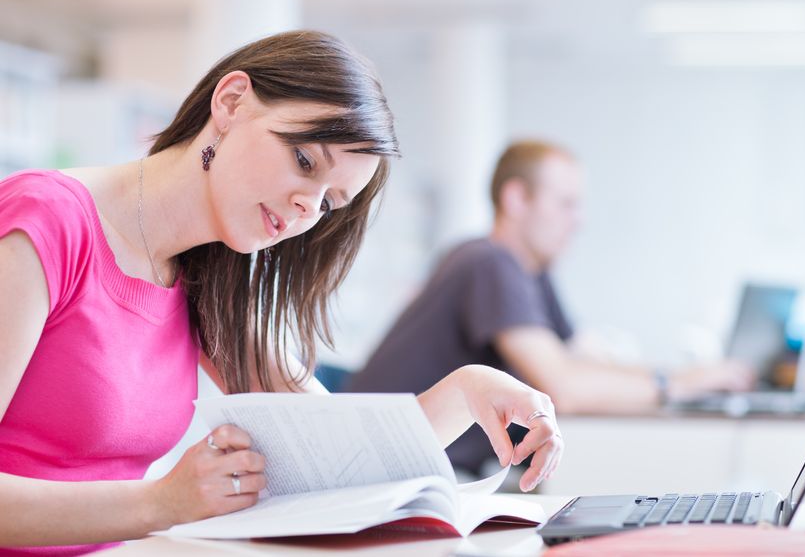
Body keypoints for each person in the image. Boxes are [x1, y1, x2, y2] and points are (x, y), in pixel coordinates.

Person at [0, 32, 562, 555]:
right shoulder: (46, 222)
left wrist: (467, 390)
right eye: (303, 161)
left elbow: (345, 459)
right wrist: (159, 502)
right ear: (232, 101)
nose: (306, 209)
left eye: (329, 201)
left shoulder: (206, 277)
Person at [346, 140, 752, 477]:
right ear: (516, 199)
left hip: (431, 469)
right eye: (566, 204)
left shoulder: (531, 272)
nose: (579, 221)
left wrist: (685, 378)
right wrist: (683, 385)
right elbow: (566, 388)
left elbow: (583, 363)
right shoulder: (488, 263)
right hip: (378, 471)